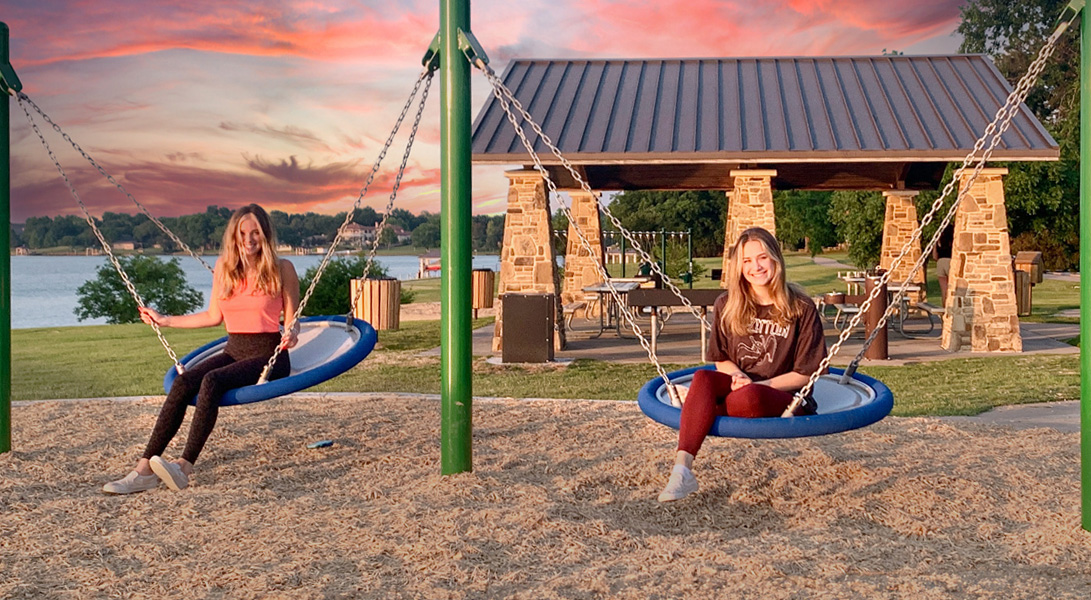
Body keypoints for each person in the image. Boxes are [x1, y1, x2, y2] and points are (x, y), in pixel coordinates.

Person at [102, 204, 300, 494]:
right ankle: (143, 469)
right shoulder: (224, 268)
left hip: (270, 355)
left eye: (255, 232)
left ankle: (183, 467)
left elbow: (293, 320)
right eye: (242, 233)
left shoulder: (282, 268)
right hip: (234, 350)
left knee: (212, 381)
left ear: (265, 234)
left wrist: (293, 333)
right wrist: (164, 319)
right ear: (233, 236)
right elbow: (212, 316)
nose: (249, 239)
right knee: (183, 382)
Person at [657, 227, 827, 502]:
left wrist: (756, 384)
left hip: (783, 395)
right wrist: (737, 375)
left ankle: (699, 407)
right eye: (746, 261)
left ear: (775, 259)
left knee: (748, 397)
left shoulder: (801, 308)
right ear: (739, 265)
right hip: (740, 385)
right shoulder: (728, 303)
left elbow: (805, 374)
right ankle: (682, 471)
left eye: (762, 258)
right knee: (703, 378)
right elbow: (720, 358)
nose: (755, 267)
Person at [932, 226, 954, 302]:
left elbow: (935, 257)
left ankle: (944, 308)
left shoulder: (939, 241)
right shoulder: (953, 240)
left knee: (944, 289)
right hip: (950, 262)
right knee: (952, 287)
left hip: (940, 263)